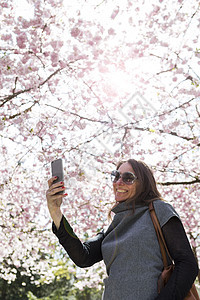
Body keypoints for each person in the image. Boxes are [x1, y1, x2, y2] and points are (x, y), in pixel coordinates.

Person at [46, 158, 199, 300]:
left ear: (143, 183)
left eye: (128, 178)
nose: (119, 182)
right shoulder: (114, 225)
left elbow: (187, 263)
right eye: (116, 176)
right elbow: (83, 257)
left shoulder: (159, 209)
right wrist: (55, 211)